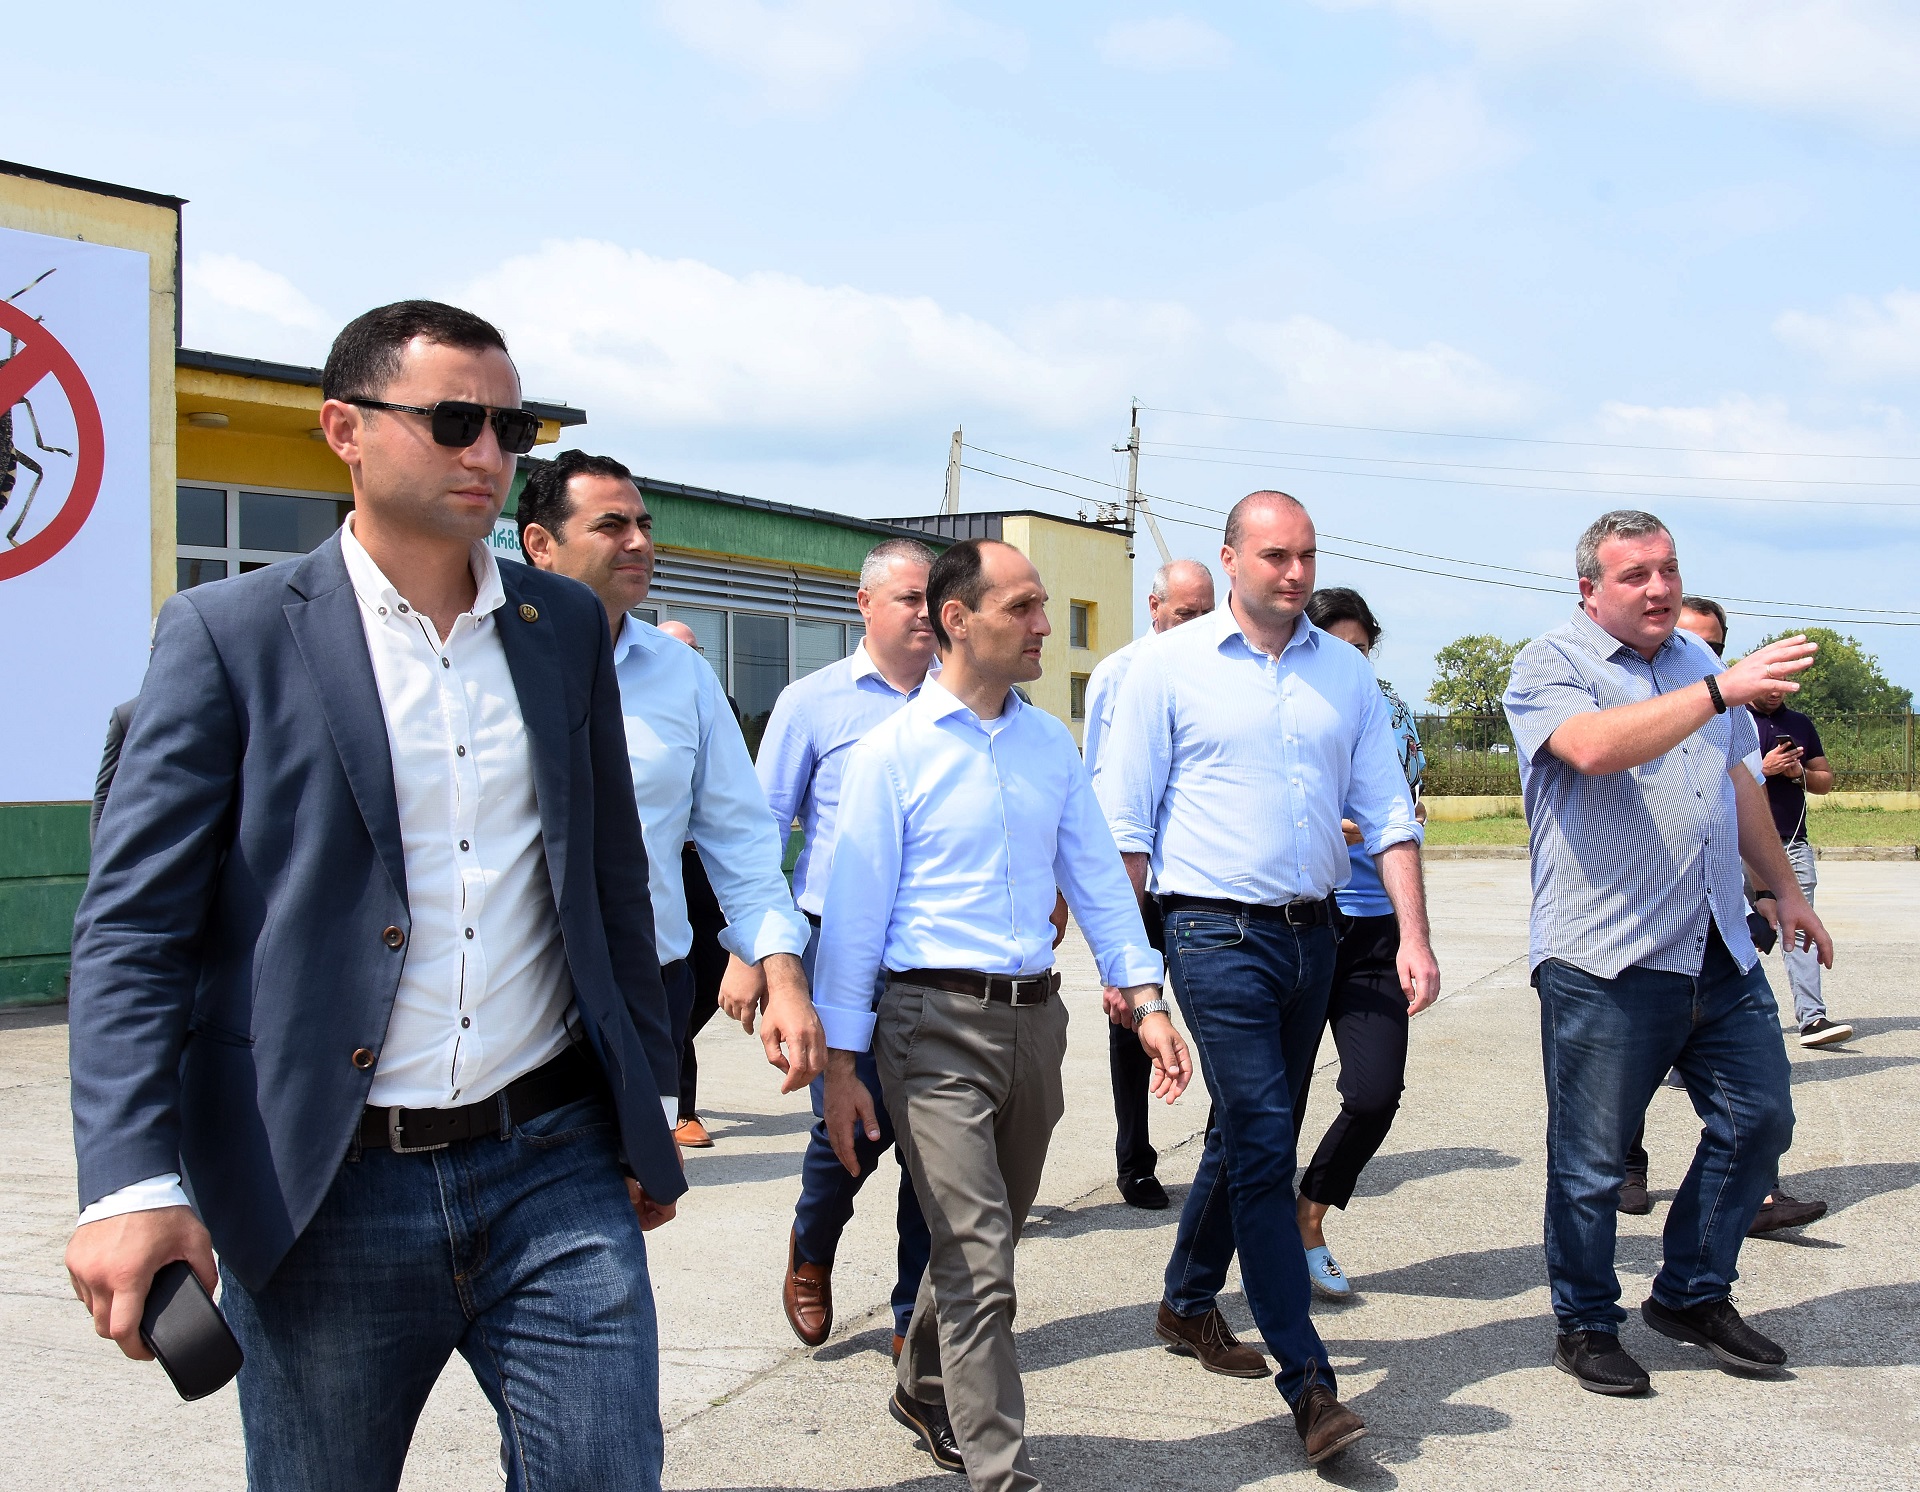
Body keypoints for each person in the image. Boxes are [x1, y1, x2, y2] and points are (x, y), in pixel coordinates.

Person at [66, 301, 685, 1490]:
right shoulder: (228, 635)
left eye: (511, 427)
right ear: (344, 429)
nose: (489, 452)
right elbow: (135, 928)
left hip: (552, 1161)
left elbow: (613, 878)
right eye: (454, 420)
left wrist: (644, 1097)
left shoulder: (562, 625)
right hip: (324, 1185)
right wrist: (130, 1180)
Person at [816, 538, 1186, 1491]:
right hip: (930, 1025)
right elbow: (853, 920)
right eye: (1022, 607)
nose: (1042, 626)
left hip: (1034, 1022)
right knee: (981, 1257)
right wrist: (842, 1066)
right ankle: (1000, 1472)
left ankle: (921, 1382)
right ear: (957, 618)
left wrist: (1145, 999)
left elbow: (1097, 880)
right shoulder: (892, 753)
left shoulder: (1046, 744)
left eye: (1042, 605)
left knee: (987, 1234)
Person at [1101, 491, 1434, 1466]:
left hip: (1315, 934)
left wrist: (1413, 936)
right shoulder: (1165, 668)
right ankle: (1309, 1381)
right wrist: (1130, 970)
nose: (1294, 573)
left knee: (1249, 1131)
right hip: (1211, 933)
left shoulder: (1346, 674)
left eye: (1307, 556)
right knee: (1262, 1139)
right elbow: (1124, 829)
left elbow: (1390, 812)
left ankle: (1185, 1299)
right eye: (1276, 556)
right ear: (1231, 559)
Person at [1503, 510, 1833, 1398]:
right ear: (1590, 590)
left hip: (1716, 945)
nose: (1659, 588)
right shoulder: (1550, 665)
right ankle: (1585, 1323)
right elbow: (1592, 748)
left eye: (1669, 570)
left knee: (1760, 1120)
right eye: (1635, 575)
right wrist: (1721, 691)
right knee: (1592, 1164)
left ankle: (1690, 1291)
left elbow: (1738, 784)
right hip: (1606, 958)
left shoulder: (1695, 665)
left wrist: (1784, 890)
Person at [517, 451, 819, 1144]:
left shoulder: (681, 674)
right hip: (514, 997)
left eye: (645, 525)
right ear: (540, 544)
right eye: (611, 526)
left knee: (641, 1190)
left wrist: (783, 976)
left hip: (647, 992)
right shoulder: (486, 659)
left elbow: (741, 839)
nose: (639, 542)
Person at [723, 538, 940, 1356]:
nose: (925, 613)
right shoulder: (811, 703)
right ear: (865, 605)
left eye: (934, 598)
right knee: (852, 1126)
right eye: (909, 598)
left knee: (934, 1139)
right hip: (832, 944)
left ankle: (916, 1316)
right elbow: (759, 833)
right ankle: (812, 1248)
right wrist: (752, 953)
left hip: (934, 952)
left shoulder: (965, 698)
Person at [1618, 597, 1830, 1234]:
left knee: (1757, 1106)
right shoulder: (1620, 696)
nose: (1700, 654)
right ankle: (1627, 1169)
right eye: (1690, 640)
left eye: (1714, 646)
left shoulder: (1727, 705)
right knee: (1624, 1084)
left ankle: (1750, 1199)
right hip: (1632, 935)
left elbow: (1743, 794)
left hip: (1718, 926)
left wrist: (1774, 892)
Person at [1294, 586, 1430, 1300]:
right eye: (1336, 647)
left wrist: (1415, 933)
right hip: (1298, 923)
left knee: (1375, 1094)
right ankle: (1247, 1245)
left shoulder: (1393, 712)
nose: (1352, 660)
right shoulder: (1284, 707)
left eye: (1362, 649)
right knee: (1270, 1104)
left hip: (1375, 927)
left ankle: (1309, 1213)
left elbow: (1406, 811)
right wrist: (1336, 825)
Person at [1080, 557, 1216, 1211]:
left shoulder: (1222, 673)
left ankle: (1228, 1154)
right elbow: (1098, 783)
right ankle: (1134, 1161)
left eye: (1207, 613)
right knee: (1131, 1018)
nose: (1197, 625)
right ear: (1154, 607)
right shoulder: (1118, 675)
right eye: (1186, 613)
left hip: (1199, 884)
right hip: (1137, 884)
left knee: (1218, 1020)